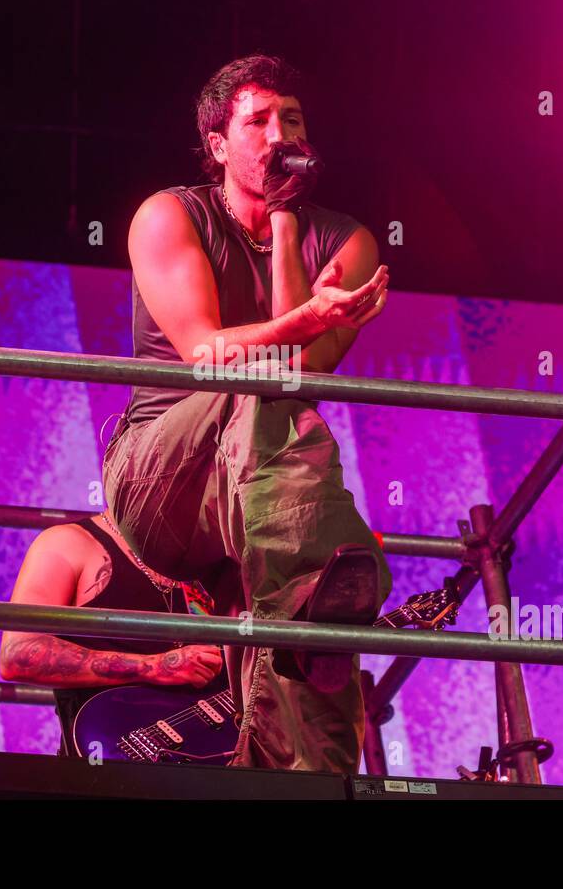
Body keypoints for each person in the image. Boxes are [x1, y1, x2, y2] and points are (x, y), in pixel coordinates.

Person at [102, 53, 392, 773]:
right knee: (258, 388)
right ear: (218, 144)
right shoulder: (170, 215)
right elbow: (206, 352)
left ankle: (303, 766)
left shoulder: (348, 240)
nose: (275, 134)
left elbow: (305, 372)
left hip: (259, 500)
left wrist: (287, 219)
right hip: (161, 477)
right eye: (256, 120)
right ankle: (316, 590)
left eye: (290, 119)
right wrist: (302, 326)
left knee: (313, 670)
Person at [0, 508, 230, 756]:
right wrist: (157, 666)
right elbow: (19, 655)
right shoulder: (70, 543)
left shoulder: (211, 560)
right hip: (111, 760)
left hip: (215, 761)